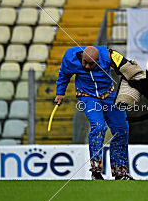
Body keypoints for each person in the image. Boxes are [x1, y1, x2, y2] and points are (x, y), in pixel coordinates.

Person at [54, 46, 136, 180]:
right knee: (98, 127)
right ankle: (96, 170)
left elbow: (128, 69)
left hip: (109, 95)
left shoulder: (110, 55)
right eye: (84, 62)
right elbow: (64, 74)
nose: (86, 66)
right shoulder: (70, 57)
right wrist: (60, 93)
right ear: (82, 57)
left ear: (99, 60)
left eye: (91, 64)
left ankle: (120, 172)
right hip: (87, 96)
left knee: (121, 129)